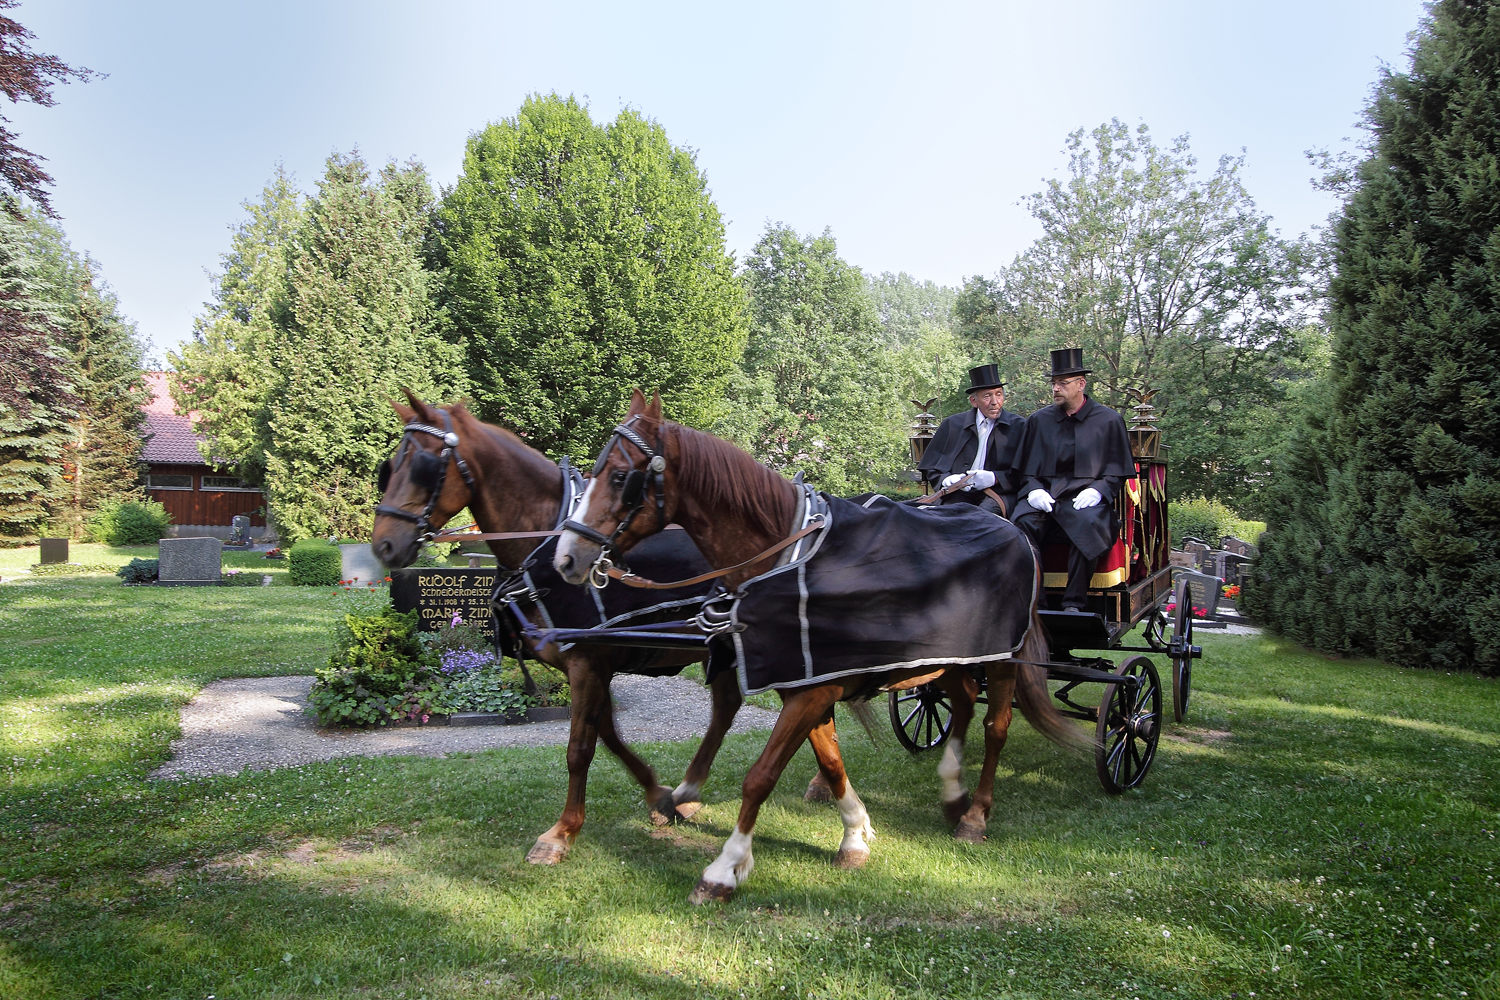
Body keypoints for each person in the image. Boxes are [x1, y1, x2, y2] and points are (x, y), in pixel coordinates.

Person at [1009, 349, 1135, 612]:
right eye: (1054, 383)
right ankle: (1036, 602)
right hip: (1046, 500)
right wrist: (1033, 490)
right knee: (1021, 523)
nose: (1056, 388)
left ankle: (1074, 604)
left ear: (1081, 384)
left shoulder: (1109, 420)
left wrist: (1099, 491)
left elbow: (1117, 471)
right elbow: (1024, 471)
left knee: (1088, 524)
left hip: (1084, 501)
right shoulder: (1038, 421)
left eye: (1063, 383)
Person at [916, 364, 1026, 517]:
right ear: (974, 401)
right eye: (987, 396)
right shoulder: (952, 425)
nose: (995, 401)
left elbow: (1027, 472)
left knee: (981, 517)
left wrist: (995, 478)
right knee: (948, 517)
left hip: (999, 494)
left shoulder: (1019, 426)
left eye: (999, 394)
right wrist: (946, 479)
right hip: (958, 493)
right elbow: (932, 466)